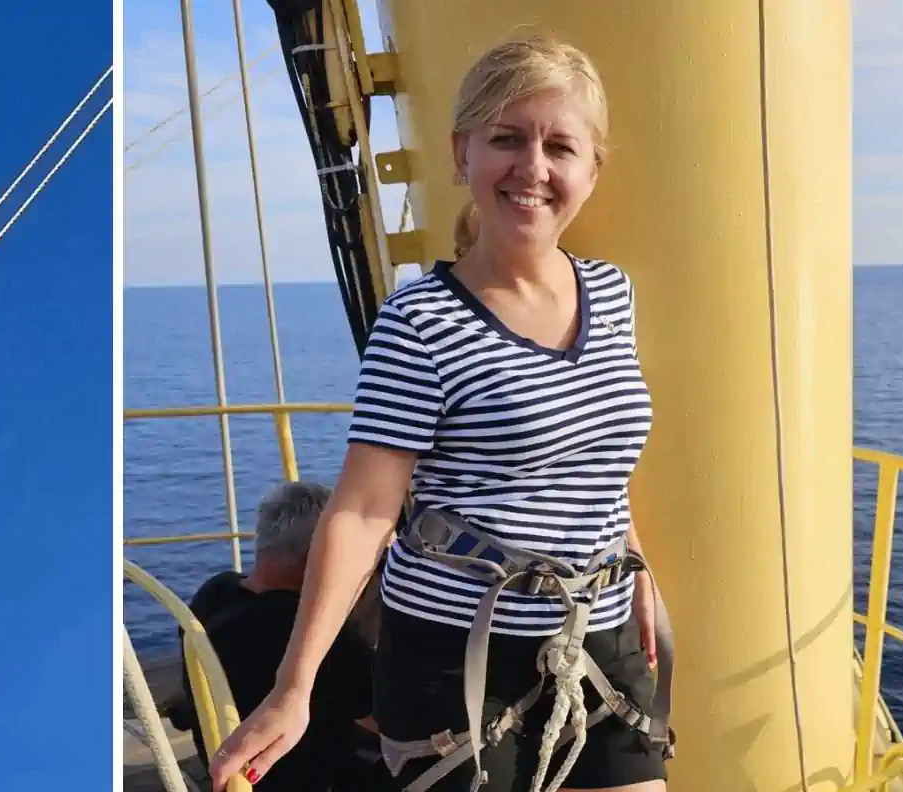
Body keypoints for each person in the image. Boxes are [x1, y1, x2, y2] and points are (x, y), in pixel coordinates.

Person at [206, 34, 674, 792]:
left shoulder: (612, 294)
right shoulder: (420, 320)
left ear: (592, 170)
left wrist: (638, 568)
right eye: (505, 139)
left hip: (602, 636)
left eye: (560, 145)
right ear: (462, 156)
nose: (533, 166)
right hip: (457, 656)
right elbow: (361, 511)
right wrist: (294, 688)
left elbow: (601, 456)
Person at [167, 481, 390, 791]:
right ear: (323, 556)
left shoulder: (214, 593)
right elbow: (394, 722)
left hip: (228, 765)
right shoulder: (309, 637)